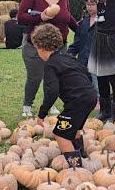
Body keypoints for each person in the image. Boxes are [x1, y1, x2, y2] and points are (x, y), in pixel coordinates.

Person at [17, 0, 78, 118]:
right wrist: (40, 17)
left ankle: (50, 104)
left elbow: (68, 17)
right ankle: (27, 105)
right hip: (36, 45)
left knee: (54, 77)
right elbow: (20, 17)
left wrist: (81, 30)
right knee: (35, 76)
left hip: (59, 45)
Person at [33, 24, 97, 166]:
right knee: (74, 130)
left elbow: (52, 91)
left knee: (61, 134)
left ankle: (76, 167)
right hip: (90, 97)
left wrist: (42, 113)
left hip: (77, 102)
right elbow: (85, 72)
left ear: (41, 48)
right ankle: (81, 155)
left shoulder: (51, 65)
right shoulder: (69, 58)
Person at [67, 0, 99, 104]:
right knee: (84, 82)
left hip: (98, 59)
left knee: (98, 82)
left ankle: (100, 100)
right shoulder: (83, 22)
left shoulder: (104, 21)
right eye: (88, 4)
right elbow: (78, 40)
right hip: (83, 59)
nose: (90, 7)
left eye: (93, 4)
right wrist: (70, 53)